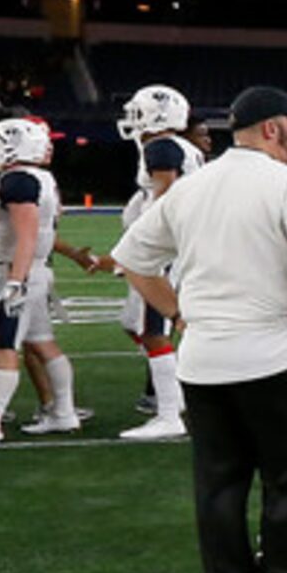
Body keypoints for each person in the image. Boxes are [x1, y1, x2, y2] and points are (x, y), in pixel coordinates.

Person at [113, 86, 287, 573]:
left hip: (205, 362)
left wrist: (179, 313)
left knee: (219, 488)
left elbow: (132, 259)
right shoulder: (285, 184)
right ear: (272, 129)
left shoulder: (191, 187)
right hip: (279, 357)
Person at [0, 119, 96, 446]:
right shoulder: (40, 177)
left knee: (4, 347)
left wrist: (14, 281)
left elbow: (26, 236)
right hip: (36, 272)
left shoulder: (18, 181)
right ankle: (64, 412)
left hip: (19, 274)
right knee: (43, 342)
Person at [116, 83, 198, 441]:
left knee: (154, 330)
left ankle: (169, 413)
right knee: (132, 322)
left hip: (166, 250)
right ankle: (175, 395)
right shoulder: (179, 147)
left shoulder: (162, 147)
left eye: (139, 111)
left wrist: (147, 244)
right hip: (173, 247)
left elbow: (167, 197)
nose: (133, 118)